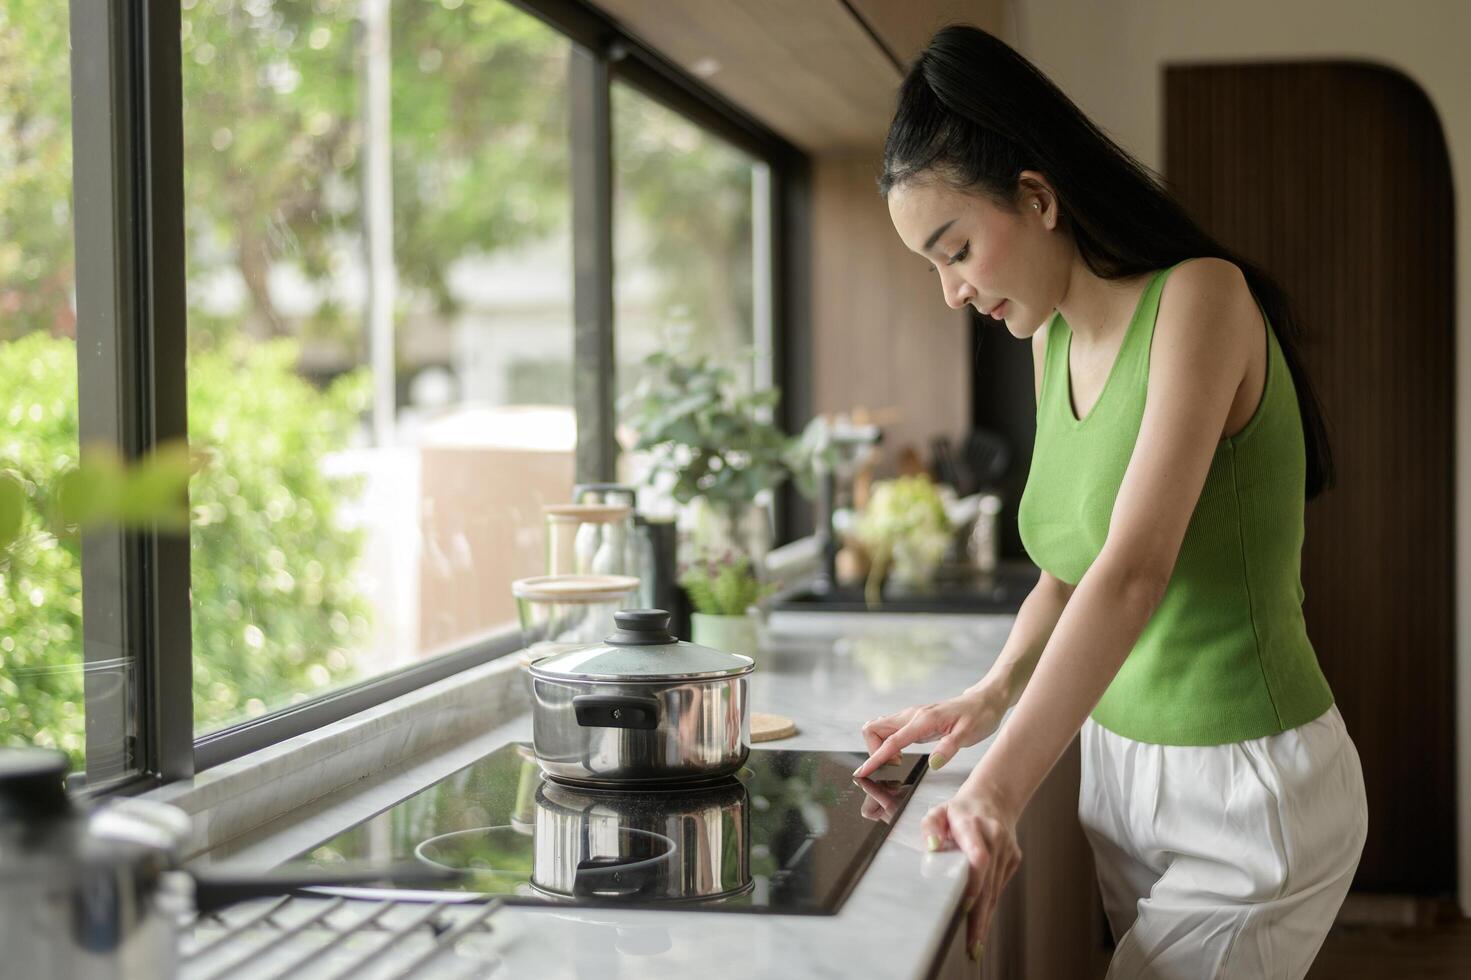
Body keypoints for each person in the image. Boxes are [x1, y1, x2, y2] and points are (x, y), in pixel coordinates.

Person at [852, 24, 1368, 978]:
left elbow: (1131, 573)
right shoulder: (1050, 347)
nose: (950, 293)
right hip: (1121, 772)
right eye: (931, 267)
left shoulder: (1200, 299)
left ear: (1037, 197)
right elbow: (1069, 569)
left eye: (954, 249)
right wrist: (988, 694)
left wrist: (999, 790)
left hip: (1247, 786)